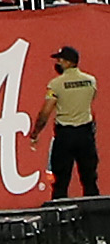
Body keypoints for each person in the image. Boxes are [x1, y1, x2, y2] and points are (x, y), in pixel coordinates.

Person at [32, 44, 100, 198]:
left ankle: (59, 217)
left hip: (65, 135)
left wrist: (35, 133)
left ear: (69, 62)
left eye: (60, 60)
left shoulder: (56, 84)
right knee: (89, 179)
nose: (58, 63)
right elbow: (90, 101)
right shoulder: (91, 81)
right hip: (86, 134)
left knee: (61, 182)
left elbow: (45, 112)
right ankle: (96, 218)